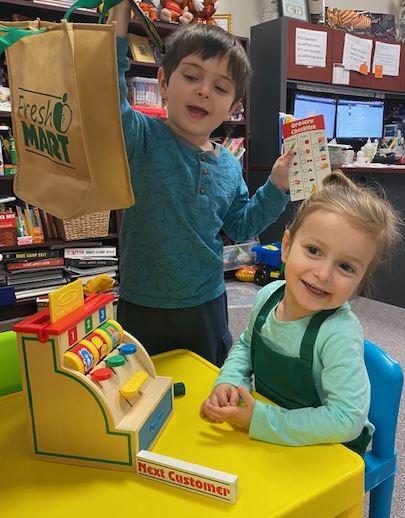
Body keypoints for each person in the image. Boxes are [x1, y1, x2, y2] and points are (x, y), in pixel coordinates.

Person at [108, 1, 292, 367]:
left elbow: (241, 225)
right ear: (162, 82)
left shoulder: (227, 163)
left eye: (220, 87)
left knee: (204, 383)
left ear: (234, 106)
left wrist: (276, 186)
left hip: (206, 304)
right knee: (141, 392)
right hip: (142, 303)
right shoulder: (141, 136)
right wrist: (118, 26)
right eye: (191, 77)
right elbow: (106, 97)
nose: (204, 91)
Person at [201, 171, 402, 455]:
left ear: (361, 280)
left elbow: (348, 419)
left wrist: (260, 419)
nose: (323, 274)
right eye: (313, 250)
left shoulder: (338, 333)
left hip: (327, 448)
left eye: (346, 267)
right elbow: (247, 345)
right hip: (273, 432)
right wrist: (230, 380)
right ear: (286, 246)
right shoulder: (268, 296)